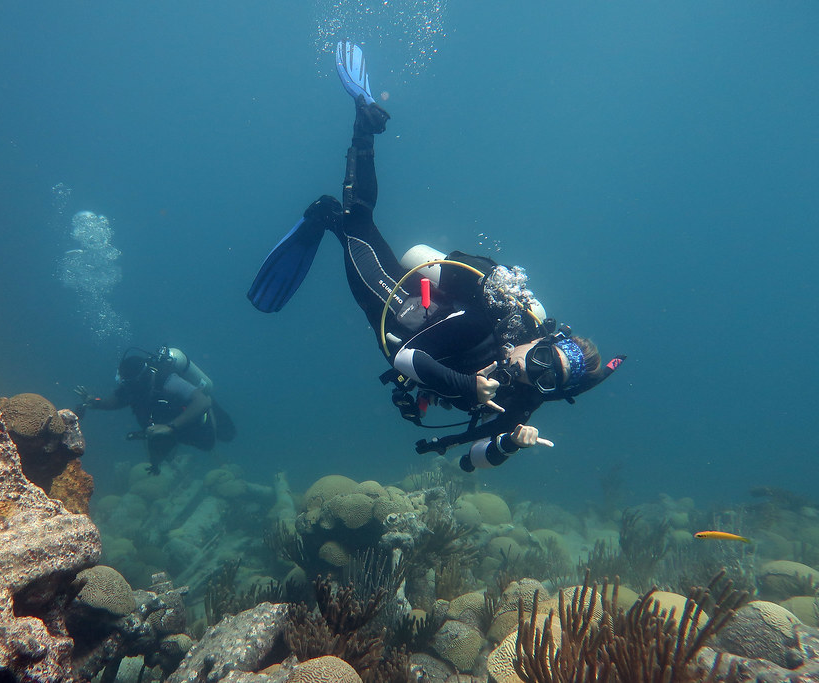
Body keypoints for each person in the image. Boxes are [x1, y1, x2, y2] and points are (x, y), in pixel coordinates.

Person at [248, 42, 624, 472]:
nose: (529, 373)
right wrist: (468, 384)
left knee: (354, 224)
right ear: (543, 338)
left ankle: (330, 215)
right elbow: (406, 358)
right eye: (540, 359)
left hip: (419, 333)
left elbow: (470, 463)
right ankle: (362, 127)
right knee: (357, 224)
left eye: (546, 379)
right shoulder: (491, 323)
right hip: (399, 308)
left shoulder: (525, 394)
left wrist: (512, 445)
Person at [75, 346, 236, 474]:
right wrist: (94, 401)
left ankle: (211, 426)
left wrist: (170, 427)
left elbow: (203, 401)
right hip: (171, 422)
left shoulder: (167, 381)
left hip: (194, 415)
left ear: (142, 378)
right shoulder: (130, 386)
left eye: (130, 384)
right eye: (125, 383)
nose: (127, 388)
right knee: (155, 437)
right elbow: (114, 402)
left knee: (224, 436)